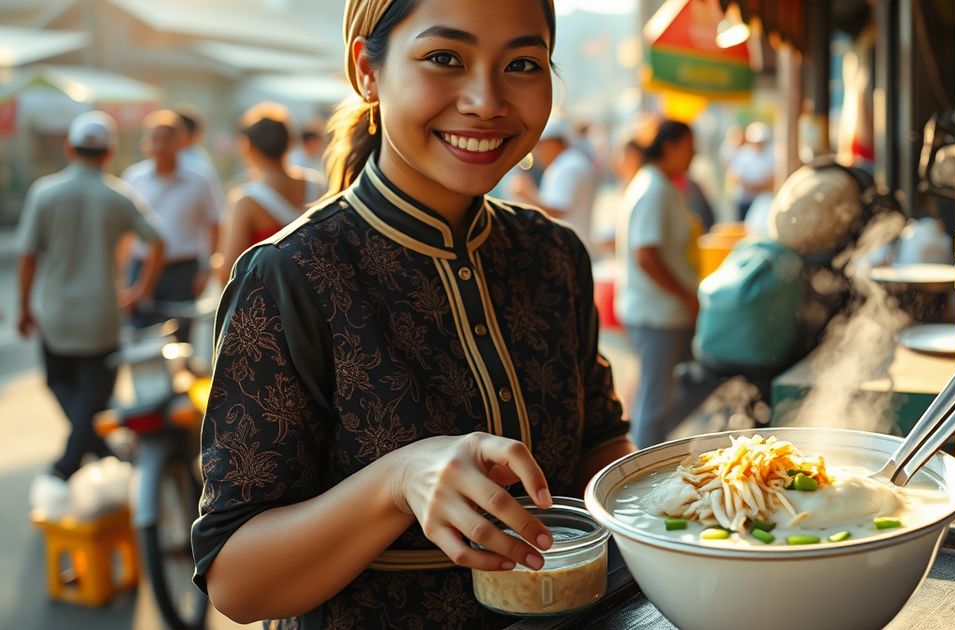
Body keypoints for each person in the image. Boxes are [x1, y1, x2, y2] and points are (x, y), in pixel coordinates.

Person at [192, 1, 632, 627]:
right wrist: (398, 480)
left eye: (523, 63)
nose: (485, 100)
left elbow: (600, 451)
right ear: (366, 71)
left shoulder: (553, 254)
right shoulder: (292, 274)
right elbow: (237, 582)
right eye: (444, 58)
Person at [15, 111, 165, 480]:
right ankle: (92, 447)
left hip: (56, 312)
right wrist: (140, 289)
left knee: (59, 381)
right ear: (109, 152)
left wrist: (23, 307)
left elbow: (28, 257)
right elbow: (158, 241)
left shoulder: (44, 192)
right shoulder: (118, 196)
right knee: (95, 396)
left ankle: (69, 463)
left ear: (69, 148)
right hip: (102, 313)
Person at [615, 118, 701, 448]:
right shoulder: (653, 189)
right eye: (689, 147)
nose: (693, 155)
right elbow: (646, 255)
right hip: (656, 314)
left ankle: (650, 450)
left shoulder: (661, 185)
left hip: (663, 313)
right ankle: (642, 471)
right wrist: (685, 296)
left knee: (663, 396)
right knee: (654, 405)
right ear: (670, 146)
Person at [121, 110, 223, 342]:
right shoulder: (133, 178)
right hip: (142, 267)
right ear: (144, 144)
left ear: (181, 142)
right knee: (141, 337)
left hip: (182, 270)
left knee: (180, 339)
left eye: (166, 140)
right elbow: (125, 232)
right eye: (154, 140)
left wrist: (206, 269)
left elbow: (215, 223)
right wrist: (123, 274)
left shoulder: (200, 179)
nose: (159, 147)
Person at [214, 103, 325, 285]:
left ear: (247, 145)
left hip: (271, 302)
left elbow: (229, 272)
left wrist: (215, 265)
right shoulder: (316, 185)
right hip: (317, 298)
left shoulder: (246, 200)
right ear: (289, 142)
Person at [509, 117, 598, 248]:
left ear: (555, 143)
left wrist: (526, 192)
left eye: (540, 145)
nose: (538, 152)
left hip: (568, 247)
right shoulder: (569, 162)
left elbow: (556, 210)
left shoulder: (567, 165)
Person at [727, 121, 775, 221]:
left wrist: (759, 186)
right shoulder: (743, 154)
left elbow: (773, 177)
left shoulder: (771, 155)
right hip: (744, 200)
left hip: (764, 200)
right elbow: (734, 176)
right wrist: (748, 185)